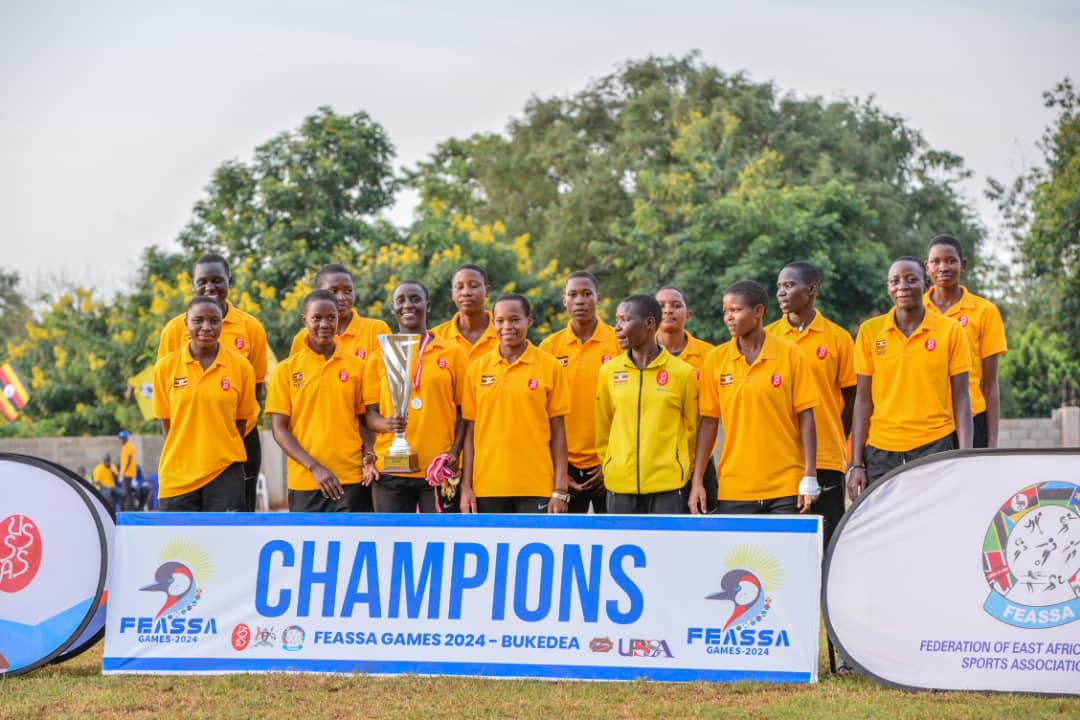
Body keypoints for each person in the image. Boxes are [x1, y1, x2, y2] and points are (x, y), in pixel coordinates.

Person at [847, 257, 973, 500]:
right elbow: (862, 401)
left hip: (934, 445)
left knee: (933, 522)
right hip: (881, 451)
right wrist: (856, 464)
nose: (902, 286)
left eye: (911, 279)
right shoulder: (870, 332)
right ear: (888, 288)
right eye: (895, 281)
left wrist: (965, 455)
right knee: (884, 527)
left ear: (926, 284)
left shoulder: (950, 331)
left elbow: (961, 398)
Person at [690, 280, 820, 515]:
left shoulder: (790, 354)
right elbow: (708, 423)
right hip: (735, 487)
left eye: (736, 310)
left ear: (758, 311)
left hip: (787, 485)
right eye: (725, 311)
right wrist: (697, 481)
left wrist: (809, 474)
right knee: (740, 553)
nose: (728, 317)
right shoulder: (716, 359)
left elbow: (806, 416)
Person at [157, 253, 268, 512]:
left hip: (237, 438)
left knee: (239, 513)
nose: (210, 287)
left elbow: (256, 387)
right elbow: (167, 392)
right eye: (203, 281)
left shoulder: (250, 328)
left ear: (230, 282)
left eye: (218, 280)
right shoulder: (173, 331)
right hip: (189, 442)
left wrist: (231, 438)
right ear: (192, 285)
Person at [766, 262, 856, 547]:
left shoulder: (838, 338)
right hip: (778, 458)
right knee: (781, 548)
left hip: (825, 458)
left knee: (825, 545)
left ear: (812, 289)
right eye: (779, 286)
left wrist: (834, 437)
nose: (781, 293)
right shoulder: (767, 337)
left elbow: (853, 398)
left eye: (789, 286)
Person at [460, 294, 571, 514]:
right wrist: (466, 487)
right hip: (487, 487)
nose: (507, 326)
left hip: (536, 485)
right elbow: (470, 433)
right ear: (493, 324)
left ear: (529, 321)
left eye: (515, 319)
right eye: (500, 321)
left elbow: (558, 431)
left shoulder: (549, 366)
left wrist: (560, 489)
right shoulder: (476, 369)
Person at [364, 281, 469, 512]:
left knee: (441, 543)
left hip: (438, 468)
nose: (407, 305)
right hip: (391, 469)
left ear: (428, 305)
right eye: (400, 301)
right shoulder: (379, 356)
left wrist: (454, 452)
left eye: (415, 299)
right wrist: (386, 423)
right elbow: (369, 414)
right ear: (393, 309)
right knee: (392, 544)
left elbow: (465, 412)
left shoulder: (452, 353)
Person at [267, 289, 371, 512]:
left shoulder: (357, 367)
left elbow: (364, 422)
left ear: (338, 319)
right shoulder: (285, 370)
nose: (324, 324)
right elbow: (279, 429)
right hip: (305, 481)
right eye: (317, 318)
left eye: (331, 317)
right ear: (304, 320)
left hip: (351, 479)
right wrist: (314, 467)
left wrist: (369, 456)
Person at [596, 294, 698, 514]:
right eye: (617, 320)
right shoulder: (608, 372)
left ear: (650, 323)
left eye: (624, 320)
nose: (617, 327)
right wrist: (611, 465)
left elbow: (693, 430)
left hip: (668, 488)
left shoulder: (682, 373)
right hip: (619, 486)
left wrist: (681, 467)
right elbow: (603, 427)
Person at [539, 271, 620, 513]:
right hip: (564, 466)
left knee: (613, 537)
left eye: (587, 294)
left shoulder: (618, 342)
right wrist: (558, 471)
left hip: (609, 462)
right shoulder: (549, 347)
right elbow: (542, 413)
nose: (580, 300)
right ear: (564, 300)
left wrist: (610, 462)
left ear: (599, 298)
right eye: (573, 295)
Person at [924, 234, 1007, 448]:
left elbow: (990, 384)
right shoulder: (915, 311)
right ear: (927, 267)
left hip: (972, 418)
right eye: (936, 261)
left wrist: (991, 441)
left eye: (950, 260)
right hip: (926, 424)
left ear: (963, 265)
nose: (943, 267)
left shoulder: (984, 311)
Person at [655, 286, 717, 512]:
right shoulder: (638, 353)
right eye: (661, 306)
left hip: (698, 461)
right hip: (656, 462)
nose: (668, 310)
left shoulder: (709, 355)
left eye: (676, 305)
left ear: (688, 314)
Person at [289, 263, 391, 361]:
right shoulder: (303, 337)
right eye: (334, 291)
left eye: (348, 291)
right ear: (318, 294)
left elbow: (387, 375)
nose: (342, 297)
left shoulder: (376, 330)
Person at [431, 264, 499, 362]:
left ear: (487, 291)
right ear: (452, 294)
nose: (466, 292)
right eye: (459, 287)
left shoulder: (504, 332)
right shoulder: (436, 336)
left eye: (474, 286)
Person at [118, 430, 137, 511]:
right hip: (125, 474)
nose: (121, 440)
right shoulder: (124, 447)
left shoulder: (129, 446)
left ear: (126, 438)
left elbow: (129, 461)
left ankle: (130, 509)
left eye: (123, 438)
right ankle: (130, 508)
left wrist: (123, 473)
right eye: (120, 438)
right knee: (127, 492)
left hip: (128, 473)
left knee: (127, 493)